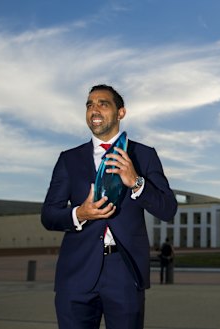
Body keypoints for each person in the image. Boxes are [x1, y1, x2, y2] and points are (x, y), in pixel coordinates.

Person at [41, 84, 178, 329]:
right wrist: (79, 214)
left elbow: (168, 209)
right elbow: (49, 215)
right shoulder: (68, 159)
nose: (94, 109)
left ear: (121, 112)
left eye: (103, 103)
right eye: (89, 105)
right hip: (76, 273)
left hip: (124, 272)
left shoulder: (144, 155)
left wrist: (136, 182)